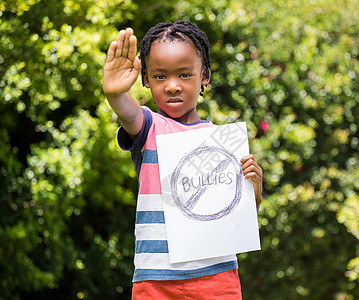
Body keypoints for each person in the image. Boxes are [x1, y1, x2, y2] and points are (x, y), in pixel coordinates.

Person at [103, 21, 263, 299]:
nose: (173, 86)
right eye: (160, 76)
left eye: (185, 75)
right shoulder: (149, 127)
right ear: (145, 80)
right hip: (156, 280)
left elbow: (238, 216)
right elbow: (128, 114)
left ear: (205, 76)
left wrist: (255, 188)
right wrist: (115, 94)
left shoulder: (223, 143)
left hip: (217, 275)